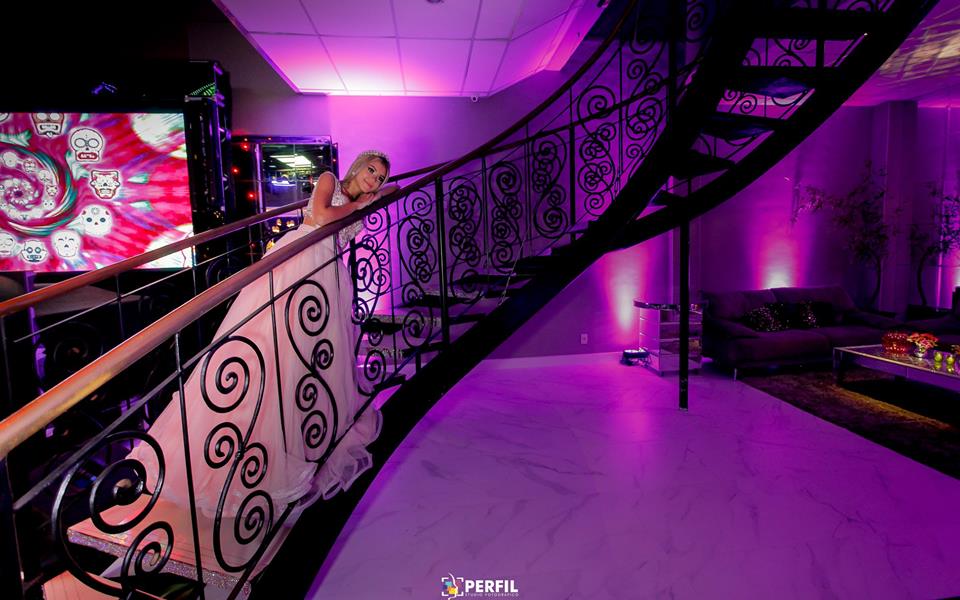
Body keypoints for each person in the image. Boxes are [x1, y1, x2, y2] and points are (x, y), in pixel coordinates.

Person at [127, 151, 398, 566]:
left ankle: (296, 439)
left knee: (306, 363)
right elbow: (321, 217)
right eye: (371, 171)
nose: (373, 180)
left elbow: (367, 211)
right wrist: (364, 203)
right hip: (296, 264)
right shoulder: (329, 179)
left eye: (379, 178)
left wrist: (376, 198)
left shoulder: (364, 198)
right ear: (358, 167)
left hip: (327, 276)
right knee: (265, 347)